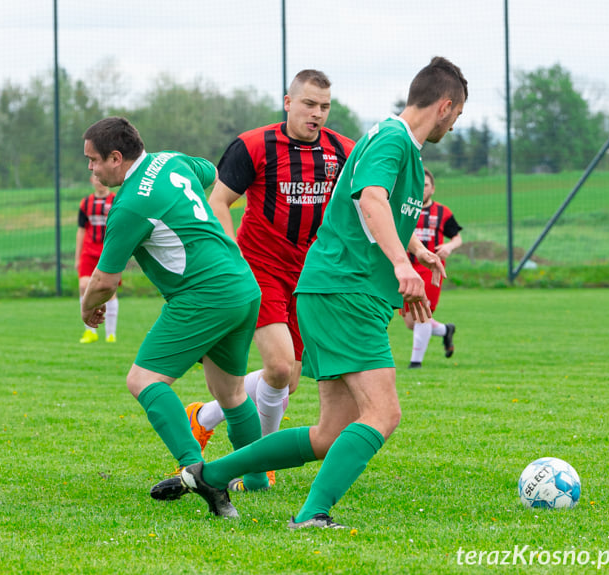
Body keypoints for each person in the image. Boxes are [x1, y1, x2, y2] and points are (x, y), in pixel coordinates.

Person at [153, 57, 467, 527]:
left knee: (329, 432)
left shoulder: (387, 141)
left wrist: (414, 248)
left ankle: (208, 474)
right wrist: (402, 265)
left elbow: (362, 211)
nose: (455, 125)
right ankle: (312, 515)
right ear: (445, 106)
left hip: (332, 289)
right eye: (458, 116)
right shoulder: (394, 140)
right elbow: (372, 198)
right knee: (382, 413)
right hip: (346, 292)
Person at [81, 116, 271, 513]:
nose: (91, 169)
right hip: (242, 285)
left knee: (144, 379)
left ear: (116, 158)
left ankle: (197, 471)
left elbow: (104, 282)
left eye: (94, 160)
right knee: (231, 393)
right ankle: (256, 479)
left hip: (204, 295)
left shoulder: (130, 204)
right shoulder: (169, 161)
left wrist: (86, 307)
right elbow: (210, 170)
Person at [187, 70, 356, 491]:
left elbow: (367, 205)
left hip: (310, 275)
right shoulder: (254, 145)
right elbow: (219, 202)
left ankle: (204, 415)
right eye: (309, 104)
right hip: (259, 267)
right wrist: (233, 258)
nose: (317, 114)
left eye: (324, 107)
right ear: (288, 102)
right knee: (279, 367)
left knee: (287, 379)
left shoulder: (343, 151)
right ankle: (255, 466)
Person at [403, 167, 463, 368]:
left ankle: (415, 363)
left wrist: (449, 246)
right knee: (411, 322)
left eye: (426, 185)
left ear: (433, 188)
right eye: (418, 184)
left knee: (422, 314)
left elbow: (457, 238)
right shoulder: (405, 209)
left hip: (431, 269)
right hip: (407, 268)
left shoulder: (442, 212)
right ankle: (446, 330)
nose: (422, 189)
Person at [76, 173, 119, 344]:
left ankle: (110, 334)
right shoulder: (85, 203)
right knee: (83, 285)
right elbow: (80, 230)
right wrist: (77, 257)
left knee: (109, 291)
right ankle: (90, 332)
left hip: (107, 252)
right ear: (91, 180)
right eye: (95, 178)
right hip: (88, 251)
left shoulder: (116, 200)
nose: (99, 182)